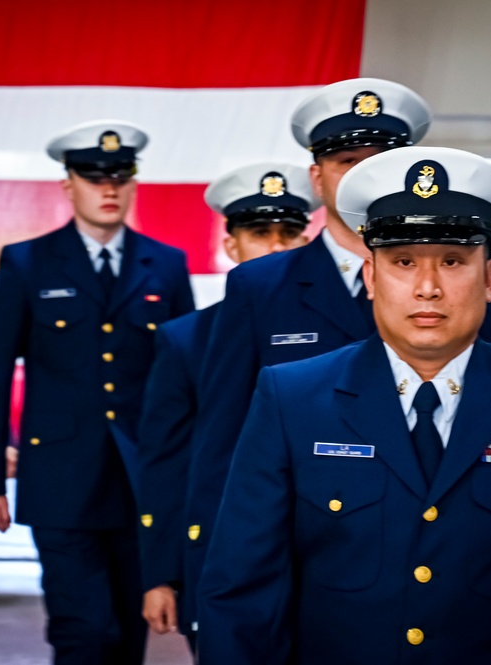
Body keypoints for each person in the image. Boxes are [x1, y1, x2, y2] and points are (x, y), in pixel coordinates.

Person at [197, 147, 491, 664]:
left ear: (489, 279)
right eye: (403, 262)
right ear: (371, 277)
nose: (428, 288)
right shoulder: (292, 399)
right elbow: (241, 589)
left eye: (453, 262)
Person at [0, 120, 195, 665]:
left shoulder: (166, 264)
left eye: (120, 176)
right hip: (60, 483)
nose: (109, 188)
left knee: (127, 633)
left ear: (134, 182)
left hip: (142, 483)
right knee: (83, 632)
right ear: (68, 184)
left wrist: (186, 481)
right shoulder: (27, 263)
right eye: (94, 178)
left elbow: (185, 379)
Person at [137, 163, 317, 652]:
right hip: (224, 554)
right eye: (259, 233)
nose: (276, 246)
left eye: (289, 232)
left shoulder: (342, 330)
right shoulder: (185, 339)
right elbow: (165, 461)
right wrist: (160, 574)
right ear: (230, 244)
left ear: (306, 242)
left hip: (329, 556)